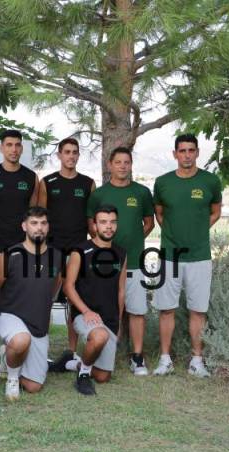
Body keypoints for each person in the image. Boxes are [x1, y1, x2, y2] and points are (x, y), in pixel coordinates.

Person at [152, 134, 222, 377]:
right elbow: (159, 213)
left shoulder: (210, 181)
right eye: (182, 151)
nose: (187, 155)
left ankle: (197, 361)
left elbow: (215, 212)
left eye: (191, 150)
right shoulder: (162, 182)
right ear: (175, 154)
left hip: (200, 256)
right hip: (169, 256)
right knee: (166, 309)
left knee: (198, 310)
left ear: (197, 152)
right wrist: (174, 233)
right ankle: (165, 360)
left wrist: (198, 231)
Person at [82, 146, 154, 375]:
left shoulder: (142, 192)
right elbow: (91, 226)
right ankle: (102, 349)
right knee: (106, 308)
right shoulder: (99, 194)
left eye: (127, 162)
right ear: (109, 165)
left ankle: (137, 357)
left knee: (137, 310)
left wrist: (132, 241)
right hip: (105, 266)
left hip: (134, 262)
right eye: (118, 162)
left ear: (131, 165)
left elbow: (149, 223)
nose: (123, 166)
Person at [0, 129, 38, 372]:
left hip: (22, 249)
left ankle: (15, 346)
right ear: (1, 147)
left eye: (17, 145)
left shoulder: (31, 177)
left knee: (18, 296)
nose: (13, 149)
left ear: (21, 148)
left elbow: (33, 215)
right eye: (9, 144)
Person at [38, 137, 95, 373]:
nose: (71, 156)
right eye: (67, 152)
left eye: (74, 152)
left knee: (73, 301)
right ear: (59, 155)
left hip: (77, 252)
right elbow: (40, 218)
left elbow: (91, 220)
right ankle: (41, 351)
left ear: (78, 156)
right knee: (45, 300)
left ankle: (71, 352)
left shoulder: (88, 183)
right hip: (52, 250)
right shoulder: (47, 182)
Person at [0, 207, 63, 400]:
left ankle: (8, 356)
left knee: (34, 386)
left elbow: (53, 289)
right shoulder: (10, 255)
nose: (39, 228)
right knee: (20, 340)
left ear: (48, 227)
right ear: (24, 226)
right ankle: (12, 378)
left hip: (38, 324)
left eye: (43, 223)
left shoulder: (57, 256)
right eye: (34, 223)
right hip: (9, 316)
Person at [64, 206, 127, 396]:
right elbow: (68, 287)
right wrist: (86, 311)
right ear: (94, 225)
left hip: (109, 319)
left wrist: (119, 322)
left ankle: (76, 364)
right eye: (103, 222)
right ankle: (83, 374)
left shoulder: (121, 253)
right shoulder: (80, 251)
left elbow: (121, 290)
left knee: (102, 377)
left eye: (112, 222)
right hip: (86, 316)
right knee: (99, 336)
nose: (109, 226)